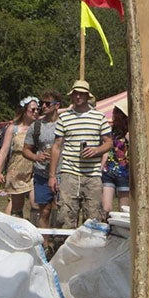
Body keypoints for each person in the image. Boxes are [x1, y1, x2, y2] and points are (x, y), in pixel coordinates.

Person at [50, 79, 112, 227]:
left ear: (87, 96)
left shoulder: (99, 117)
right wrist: (52, 176)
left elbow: (109, 142)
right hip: (69, 173)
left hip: (92, 174)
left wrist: (96, 150)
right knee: (65, 215)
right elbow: (56, 146)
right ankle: (63, 246)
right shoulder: (64, 117)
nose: (78, 97)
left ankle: (90, 248)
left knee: (93, 217)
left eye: (81, 94)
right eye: (75, 94)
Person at [0, 97, 40, 218]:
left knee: (36, 203)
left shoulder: (39, 126)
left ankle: (36, 231)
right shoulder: (13, 128)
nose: (36, 112)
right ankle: (13, 229)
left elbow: (54, 112)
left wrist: (70, 108)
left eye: (37, 109)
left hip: (34, 169)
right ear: (25, 111)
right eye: (33, 109)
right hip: (17, 170)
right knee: (16, 206)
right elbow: (3, 151)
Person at [29, 93, 61, 225]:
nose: (43, 106)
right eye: (42, 103)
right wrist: (36, 156)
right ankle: (45, 244)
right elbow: (26, 149)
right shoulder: (36, 126)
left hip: (63, 173)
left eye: (48, 103)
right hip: (41, 173)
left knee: (63, 211)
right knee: (44, 211)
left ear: (57, 105)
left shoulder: (65, 124)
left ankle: (60, 242)